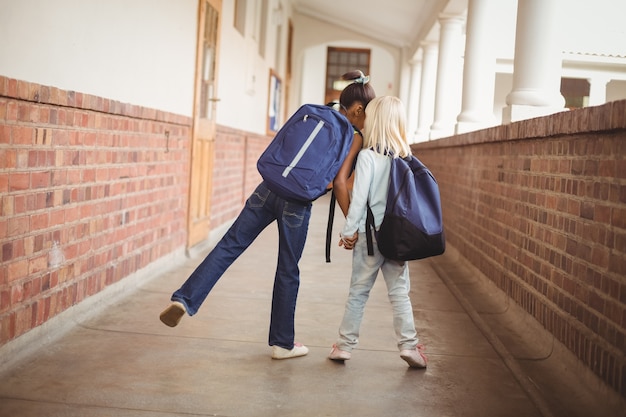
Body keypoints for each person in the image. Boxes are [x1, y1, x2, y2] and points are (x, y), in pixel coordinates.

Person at [159, 70, 376, 360]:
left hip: (268, 188)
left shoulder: (315, 113)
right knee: (288, 269)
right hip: (296, 203)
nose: (367, 121)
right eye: (367, 115)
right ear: (358, 109)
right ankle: (282, 343)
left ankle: (184, 299)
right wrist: (353, 223)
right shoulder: (353, 135)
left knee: (228, 245)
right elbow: (338, 183)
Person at [328, 96, 428, 368]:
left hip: (370, 239)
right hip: (397, 237)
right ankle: (409, 346)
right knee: (399, 293)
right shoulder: (407, 158)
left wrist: (348, 232)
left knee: (358, 292)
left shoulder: (368, 157)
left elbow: (358, 200)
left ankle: (344, 346)